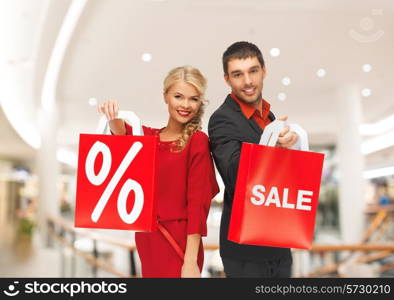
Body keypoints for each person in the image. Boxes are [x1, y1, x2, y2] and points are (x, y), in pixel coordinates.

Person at [98, 66, 219, 278]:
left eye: (193, 99)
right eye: (178, 96)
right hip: (148, 238)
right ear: (166, 97)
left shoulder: (197, 141)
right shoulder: (150, 137)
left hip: (180, 243)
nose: (185, 105)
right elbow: (124, 133)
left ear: (200, 103)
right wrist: (112, 116)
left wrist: (190, 262)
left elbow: (198, 205)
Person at [208, 41, 298, 278]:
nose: (247, 81)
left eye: (253, 71)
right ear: (227, 79)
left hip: (278, 242)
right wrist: (272, 147)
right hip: (245, 251)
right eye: (238, 74)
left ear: (264, 71)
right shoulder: (222, 120)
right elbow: (236, 177)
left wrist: (289, 149)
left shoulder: (269, 116)